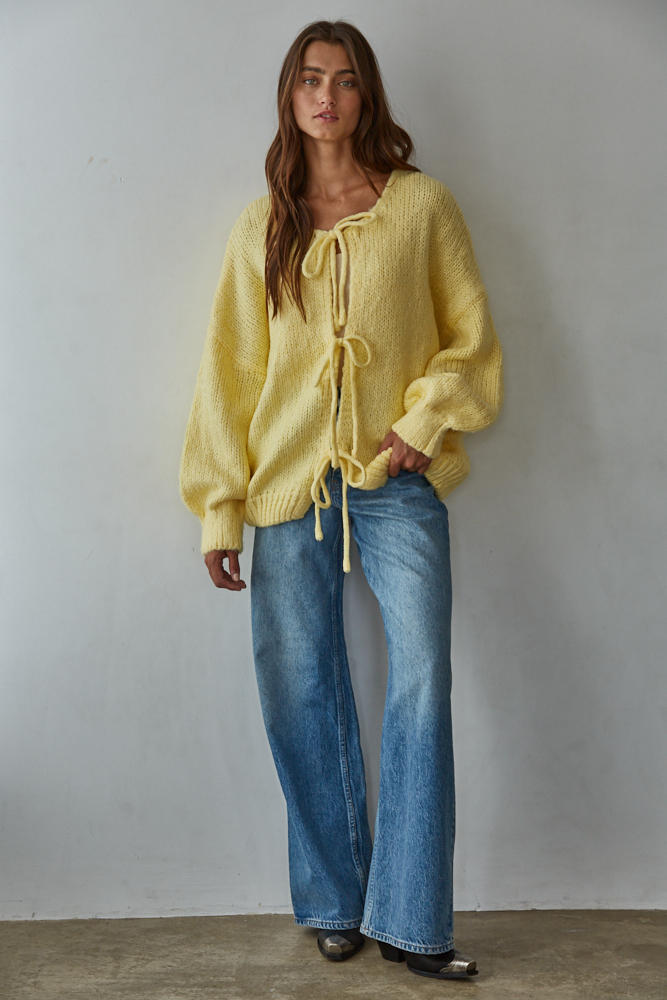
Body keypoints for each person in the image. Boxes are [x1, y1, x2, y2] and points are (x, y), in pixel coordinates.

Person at [179, 19, 503, 982]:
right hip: (287, 487)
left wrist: (423, 421)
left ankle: (413, 920)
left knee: (423, 681)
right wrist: (218, 506)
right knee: (299, 691)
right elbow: (229, 376)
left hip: (394, 482)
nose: (327, 96)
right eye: (311, 79)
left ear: (368, 96)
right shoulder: (262, 224)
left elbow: (471, 341)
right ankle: (331, 901)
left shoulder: (421, 205)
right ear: (290, 95)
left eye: (346, 80)